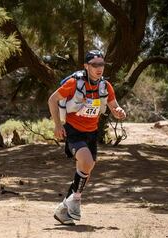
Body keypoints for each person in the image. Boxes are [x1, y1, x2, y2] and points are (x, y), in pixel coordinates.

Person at [48, 50, 126, 225]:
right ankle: (75, 201)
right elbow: (52, 100)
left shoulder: (105, 86)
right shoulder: (74, 83)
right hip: (73, 131)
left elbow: (114, 106)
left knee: (85, 171)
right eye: (95, 65)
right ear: (86, 66)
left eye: (102, 64)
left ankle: (63, 209)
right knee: (87, 162)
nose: (99, 68)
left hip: (92, 133)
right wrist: (58, 125)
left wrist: (119, 112)